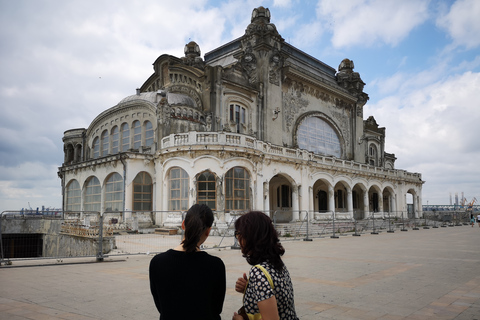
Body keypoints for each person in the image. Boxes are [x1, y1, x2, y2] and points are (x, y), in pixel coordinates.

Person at [149, 204, 226, 320]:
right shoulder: (216, 265)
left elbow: (161, 306)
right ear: (208, 231)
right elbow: (216, 308)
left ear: (183, 224)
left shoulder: (157, 262)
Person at [232, 211, 298, 320]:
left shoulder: (258, 273)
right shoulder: (276, 264)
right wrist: (249, 289)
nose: (238, 239)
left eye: (239, 234)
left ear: (251, 237)